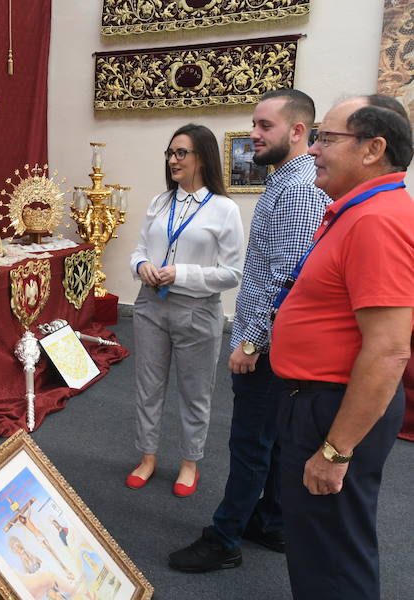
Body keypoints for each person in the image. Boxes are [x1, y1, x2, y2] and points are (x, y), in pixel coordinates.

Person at [169, 90, 330, 572]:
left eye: (265, 126)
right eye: (254, 124)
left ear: (298, 131)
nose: (253, 135)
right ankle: (272, 521)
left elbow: (288, 274)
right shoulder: (287, 180)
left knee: (250, 443)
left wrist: (250, 340)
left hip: (266, 344)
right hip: (275, 340)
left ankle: (224, 539)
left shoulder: (300, 188)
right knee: (275, 438)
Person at [270, 95, 414, 598]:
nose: (312, 150)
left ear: (373, 149)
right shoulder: (359, 211)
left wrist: (335, 449)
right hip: (320, 402)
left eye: (327, 138)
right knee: (321, 545)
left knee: (331, 559)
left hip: (333, 409)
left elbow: (390, 350)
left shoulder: (376, 220)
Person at [127, 124, 244, 496]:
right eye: (170, 153)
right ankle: (147, 457)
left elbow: (232, 274)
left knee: (195, 392)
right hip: (150, 306)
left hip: (197, 311)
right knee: (148, 388)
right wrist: (140, 266)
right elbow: (139, 250)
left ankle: (189, 463)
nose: (173, 160)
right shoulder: (160, 202)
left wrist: (182, 273)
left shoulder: (224, 209)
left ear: (202, 158)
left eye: (181, 153)